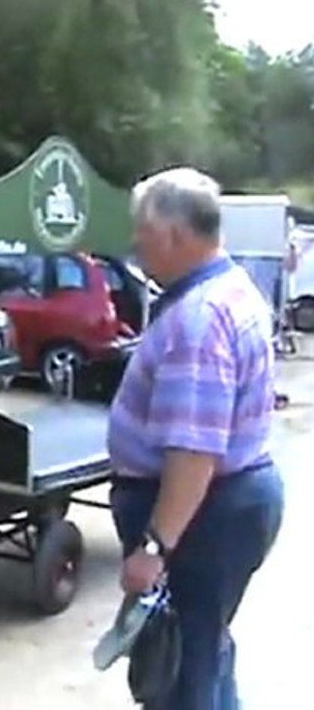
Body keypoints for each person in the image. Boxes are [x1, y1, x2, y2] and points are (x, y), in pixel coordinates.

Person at [106, 167, 285, 709]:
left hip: (203, 516)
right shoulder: (230, 289)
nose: (136, 242)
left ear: (174, 235)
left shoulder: (200, 319)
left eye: (143, 230)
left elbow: (194, 453)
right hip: (224, 507)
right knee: (207, 652)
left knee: (182, 674)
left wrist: (153, 548)